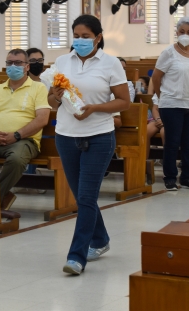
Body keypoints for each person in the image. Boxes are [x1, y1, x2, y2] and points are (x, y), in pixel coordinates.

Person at [47, 15, 130, 275]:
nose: (80, 41)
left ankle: (76, 256)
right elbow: (51, 103)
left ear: (97, 37)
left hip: (99, 135)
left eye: (85, 36)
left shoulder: (110, 63)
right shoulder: (62, 61)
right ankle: (101, 239)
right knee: (84, 197)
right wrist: (56, 96)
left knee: (85, 197)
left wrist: (95, 108)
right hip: (66, 135)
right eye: (76, 36)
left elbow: (123, 101)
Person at [0, 49, 51, 212]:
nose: (13, 66)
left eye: (18, 63)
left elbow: (42, 118)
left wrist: (16, 135)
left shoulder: (38, 88)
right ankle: (1, 196)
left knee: (17, 160)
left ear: (27, 66)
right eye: (9, 63)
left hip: (25, 141)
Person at [151, 16, 189, 192]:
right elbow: (156, 78)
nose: (185, 35)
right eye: (182, 32)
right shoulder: (168, 52)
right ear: (176, 33)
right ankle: (170, 177)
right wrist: (162, 96)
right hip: (171, 104)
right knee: (172, 142)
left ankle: (187, 177)